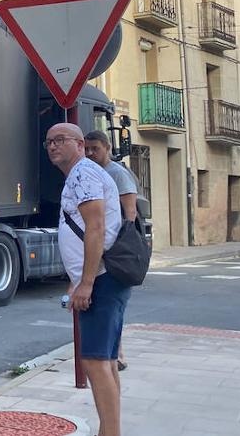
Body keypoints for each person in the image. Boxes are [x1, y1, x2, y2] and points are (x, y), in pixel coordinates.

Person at [46, 122, 128, 436]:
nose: (53, 146)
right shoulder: (81, 175)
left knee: (95, 362)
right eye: (49, 141)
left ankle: (110, 432)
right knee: (104, 360)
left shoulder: (83, 173)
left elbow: (95, 227)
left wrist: (87, 282)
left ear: (80, 145)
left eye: (61, 140)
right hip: (103, 277)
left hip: (103, 279)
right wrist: (77, 278)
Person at [84, 130, 139, 373]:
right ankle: (116, 353)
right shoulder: (91, 172)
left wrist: (118, 246)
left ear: (107, 148)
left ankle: (116, 353)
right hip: (102, 247)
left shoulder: (117, 174)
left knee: (112, 305)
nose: (90, 153)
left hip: (115, 249)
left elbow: (130, 212)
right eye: (86, 149)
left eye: (95, 148)